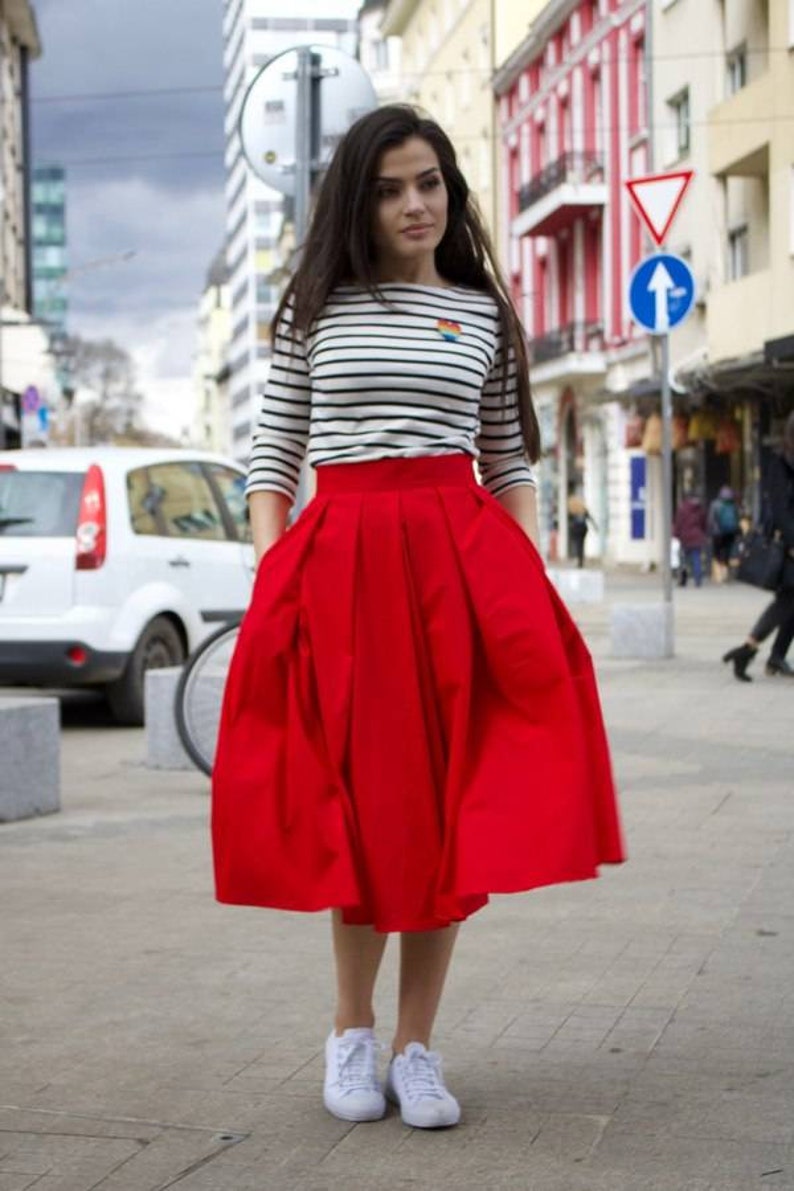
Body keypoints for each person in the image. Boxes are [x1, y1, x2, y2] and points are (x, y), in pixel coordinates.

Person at [211, 105, 624, 1130]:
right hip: (340, 569)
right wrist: (275, 583)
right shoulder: (313, 308)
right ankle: (349, 1033)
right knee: (362, 810)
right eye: (391, 187)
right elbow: (274, 462)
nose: (413, 203)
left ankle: (416, 1049)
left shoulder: (483, 314)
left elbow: (508, 461)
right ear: (360, 199)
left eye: (429, 182)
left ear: (452, 191)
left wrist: (520, 578)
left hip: (457, 575)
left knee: (444, 816)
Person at [723, 410, 794, 680]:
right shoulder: (779, 463)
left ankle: (763, 653)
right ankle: (753, 650)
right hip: (787, 545)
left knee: (789, 601)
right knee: (787, 600)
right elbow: (779, 509)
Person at [672, 492, 707, 587]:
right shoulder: (700, 509)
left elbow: (678, 523)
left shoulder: (682, 508)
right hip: (697, 537)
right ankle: (698, 580)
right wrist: (703, 534)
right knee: (696, 559)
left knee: (683, 560)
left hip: (685, 537)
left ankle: (683, 580)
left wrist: (675, 534)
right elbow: (704, 523)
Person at [708, 485, 740, 583]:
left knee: (717, 552)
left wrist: (710, 530)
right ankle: (726, 573)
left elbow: (711, 519)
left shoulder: (715, 504)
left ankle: (719, 575)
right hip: (730, 532)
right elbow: (737, 517)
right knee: (727, 552)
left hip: (717, 533)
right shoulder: (733, 504)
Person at [566, 491, 597, 568]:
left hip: (576, 528)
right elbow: (589, 517)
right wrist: (595, 527)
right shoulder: (582, 508)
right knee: (582, 544)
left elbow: (570, 519)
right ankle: (581, 560)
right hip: (583, 528)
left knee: (578, 544)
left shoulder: (572, 508)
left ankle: (579, 560)